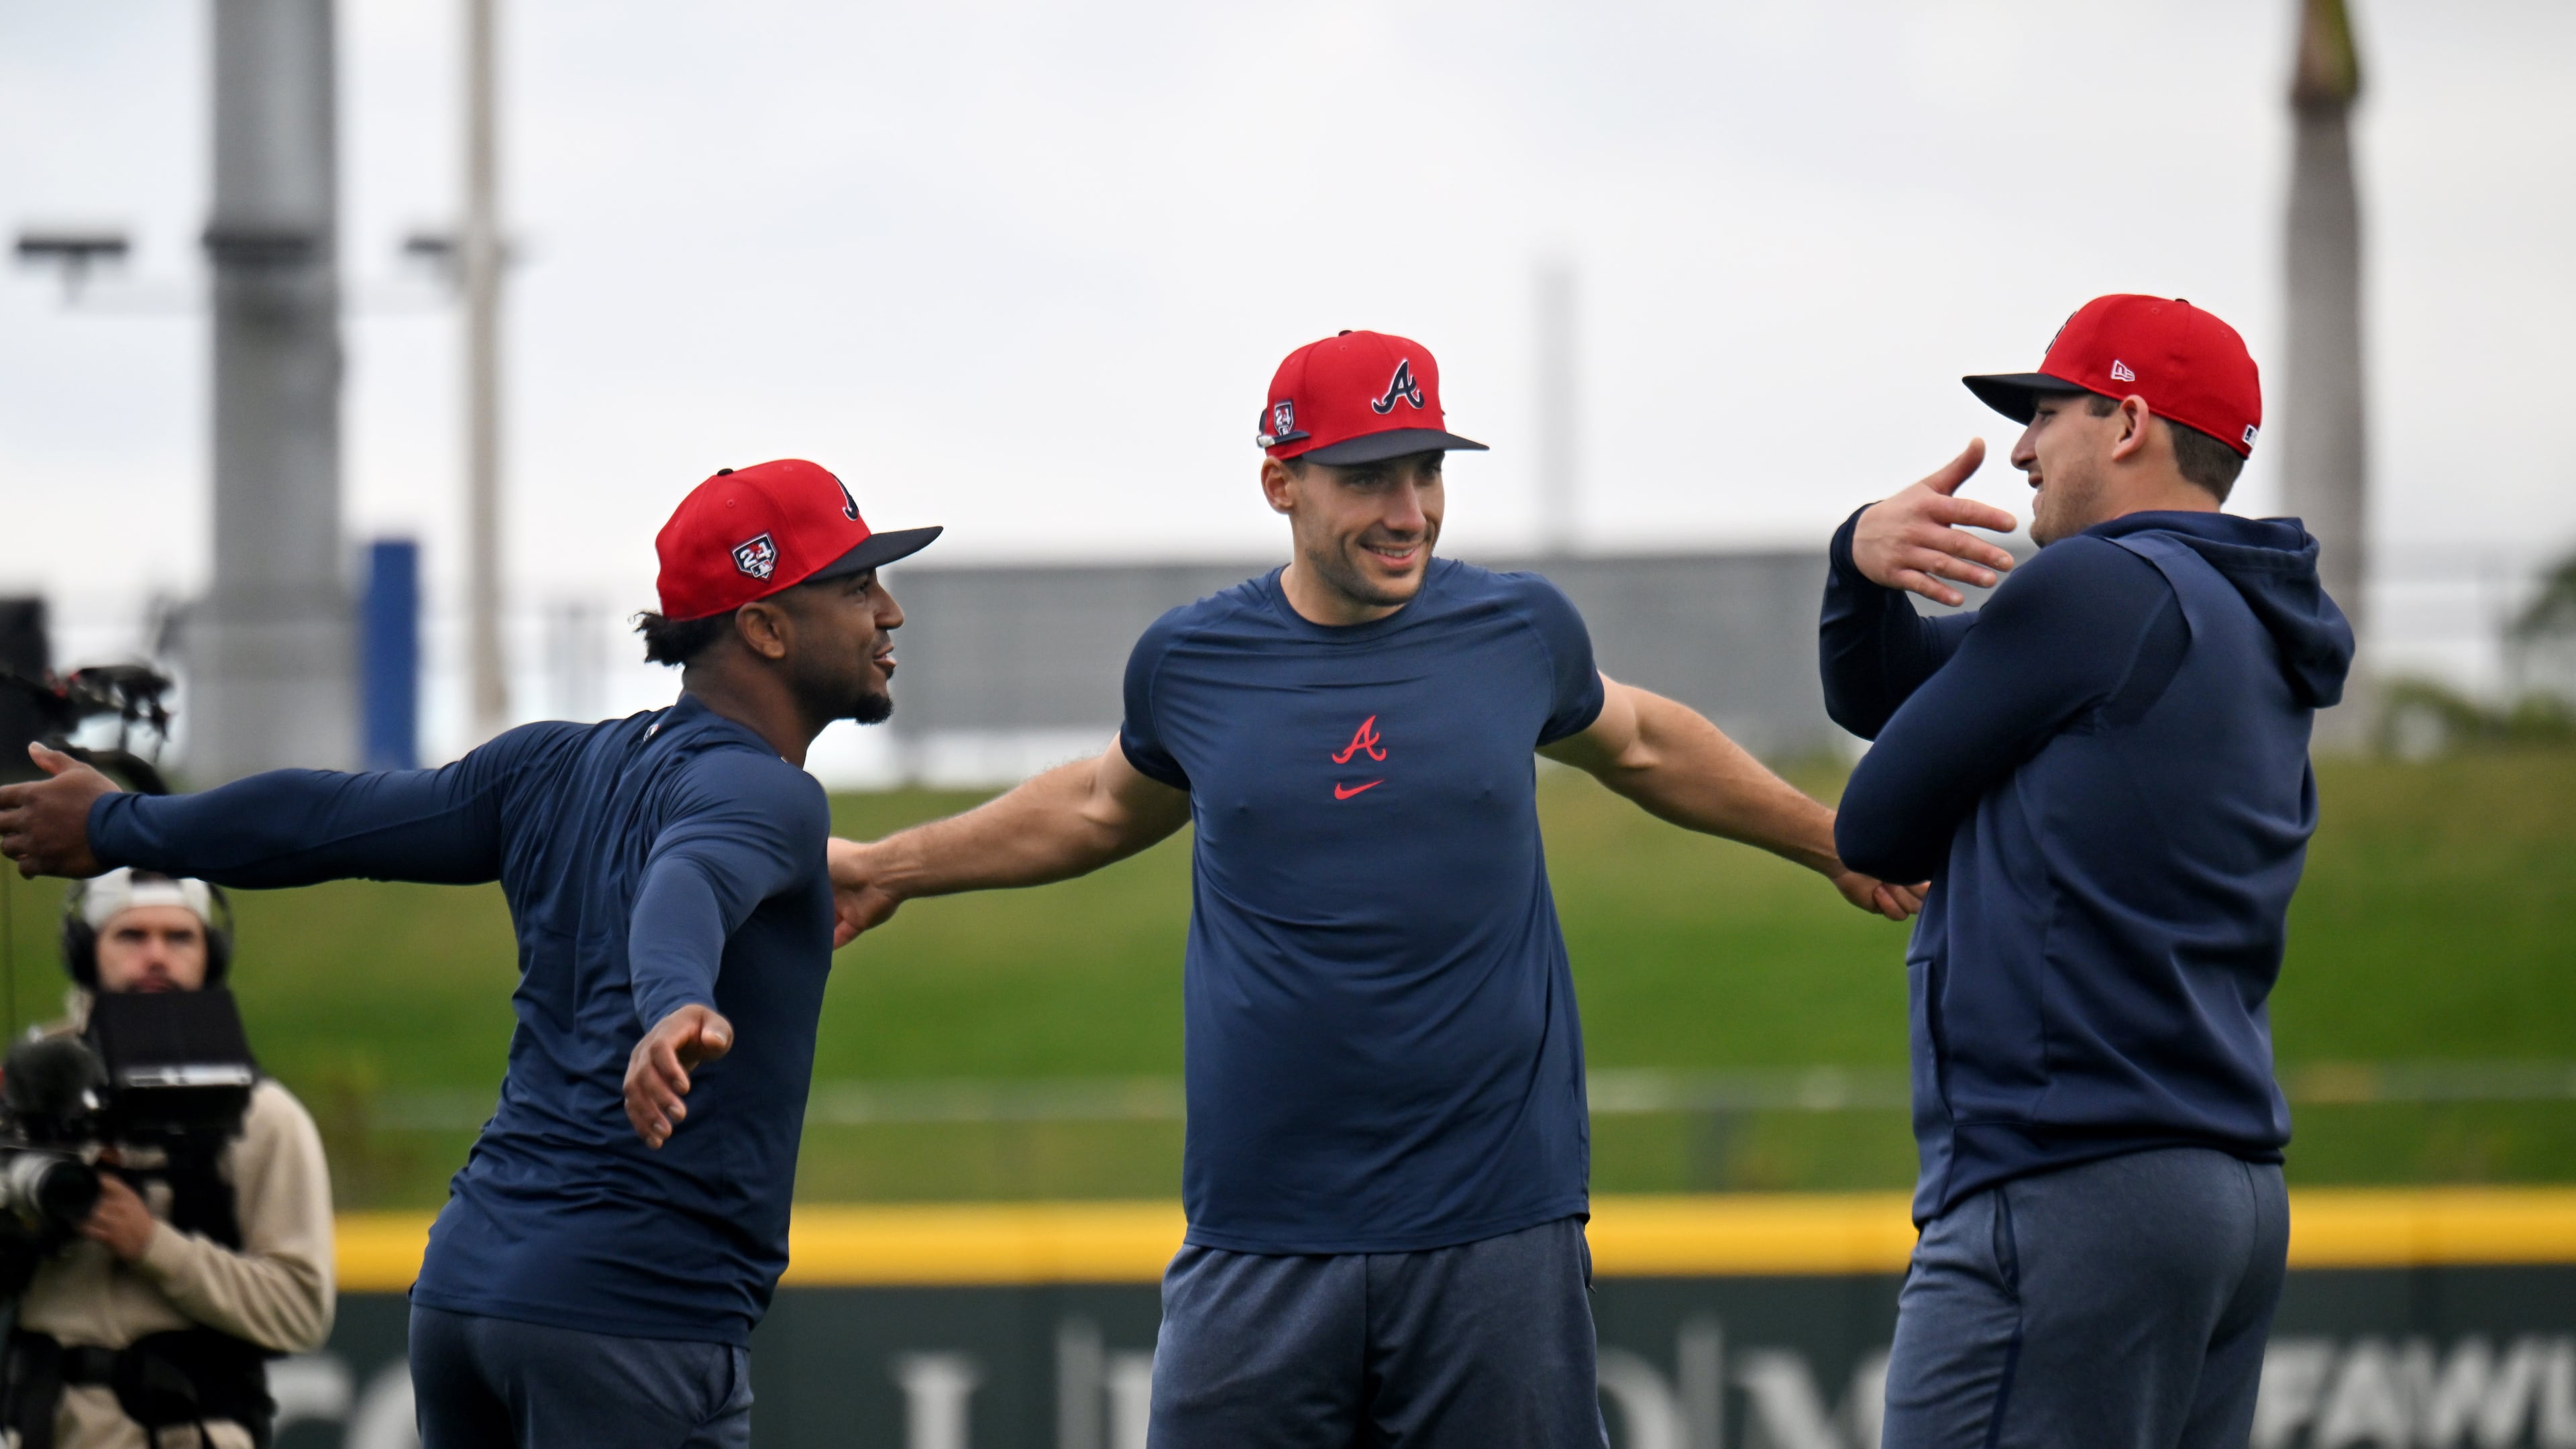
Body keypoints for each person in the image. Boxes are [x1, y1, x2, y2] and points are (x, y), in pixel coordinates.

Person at [828, 329, 1921, 1448]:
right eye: (1368, 479)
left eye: (1428, 472)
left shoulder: (1519, 631)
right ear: (1281, 484)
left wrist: (1835, 840)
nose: (1409, 511)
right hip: (1260, 1239)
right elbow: (1103, 806)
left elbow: (1643, 744)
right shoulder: (1191, 663)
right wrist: (888, 868)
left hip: (1495, 1230)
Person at [0, 460, 940, 1449]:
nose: (889, 612)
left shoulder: (545, 767)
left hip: (467, 1290)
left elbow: (325, 816)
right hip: (628, 1317)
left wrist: (120, 824)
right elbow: (687, 885)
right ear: (764, 626)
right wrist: (671, 1002)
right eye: (854, 586)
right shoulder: (771, 793)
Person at [1820, 294, 2356, 1449]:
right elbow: (1887, 698)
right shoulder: (2240, 616)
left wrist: (1860, 560)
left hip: (2070, 1186)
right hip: (2220, 1194)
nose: (2019, 447)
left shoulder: (2094, 590)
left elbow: (1874, 826)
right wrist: (1858, 564)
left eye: (2045, 413)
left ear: (2125, 425)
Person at [0, 869, 334, 1449]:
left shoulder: (263, 1117)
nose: (156, 956)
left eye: (180, 937)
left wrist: (153, 1245)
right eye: (131, 936)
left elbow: (301, 1311)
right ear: (85, 951)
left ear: (213, 953)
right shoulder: (24, 1094)